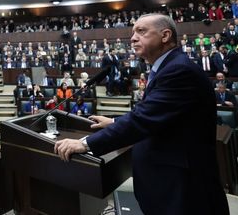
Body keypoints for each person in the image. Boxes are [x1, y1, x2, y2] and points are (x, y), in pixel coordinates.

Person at [54, 14, 228, 215]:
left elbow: (145, 119)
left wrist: (86, 144)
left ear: (165, 35)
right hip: (167, 182)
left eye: (141, 31)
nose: (133, 38)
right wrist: (113, 122)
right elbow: (157, 114)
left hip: (182, 187)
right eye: (133, 32)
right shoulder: (167, 67)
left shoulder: (178, 70)